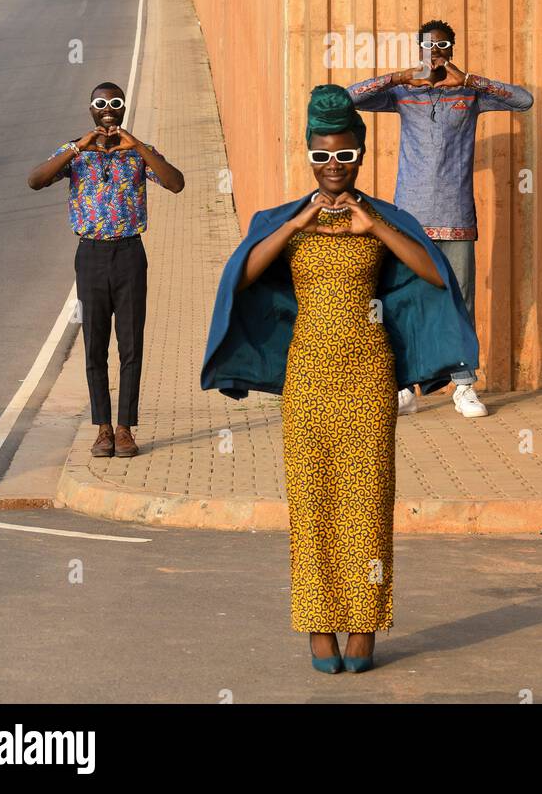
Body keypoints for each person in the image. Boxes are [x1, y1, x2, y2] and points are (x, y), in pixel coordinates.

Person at [202, 84, 478, 673]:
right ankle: (318, 625)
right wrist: (299, 219)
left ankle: (363, 627)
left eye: (345, 155)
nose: (334, 166)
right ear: (309, 156)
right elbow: (242, 277)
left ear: (360, 153)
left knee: (368, 499)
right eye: (322, 155)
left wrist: (372, 228)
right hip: (308, 375)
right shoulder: (282, 221)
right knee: (311, 503)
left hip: (368, 374)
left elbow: (435, 274)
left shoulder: (383, 218)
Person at [347, 18, 534, 418]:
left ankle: (464, 386)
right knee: (402, 301)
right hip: (408, 220)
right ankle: (403, 386)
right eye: (429, 47)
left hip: (456, 216)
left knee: (459, 300)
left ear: (451, 49)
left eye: (443, 47)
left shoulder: (469, 94)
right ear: (418, 50)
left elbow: (523, 100)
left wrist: (469, 79)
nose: (436, 54)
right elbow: (347, 99)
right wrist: (400, 76)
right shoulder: (401, 93)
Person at [28, 81, 184, 458]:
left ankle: (126, 428)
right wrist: (77, 146)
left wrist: (140, 147)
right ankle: (102, 429)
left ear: (124, 108)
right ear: (92, 110)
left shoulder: (137, 154)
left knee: (131, 345)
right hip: (91, 256)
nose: (109, 109)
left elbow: (176, 183)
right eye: (101, 103)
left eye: (116, 103)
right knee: (94, 346)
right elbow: (36, 180)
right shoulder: (76, 154)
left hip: (130, 254)